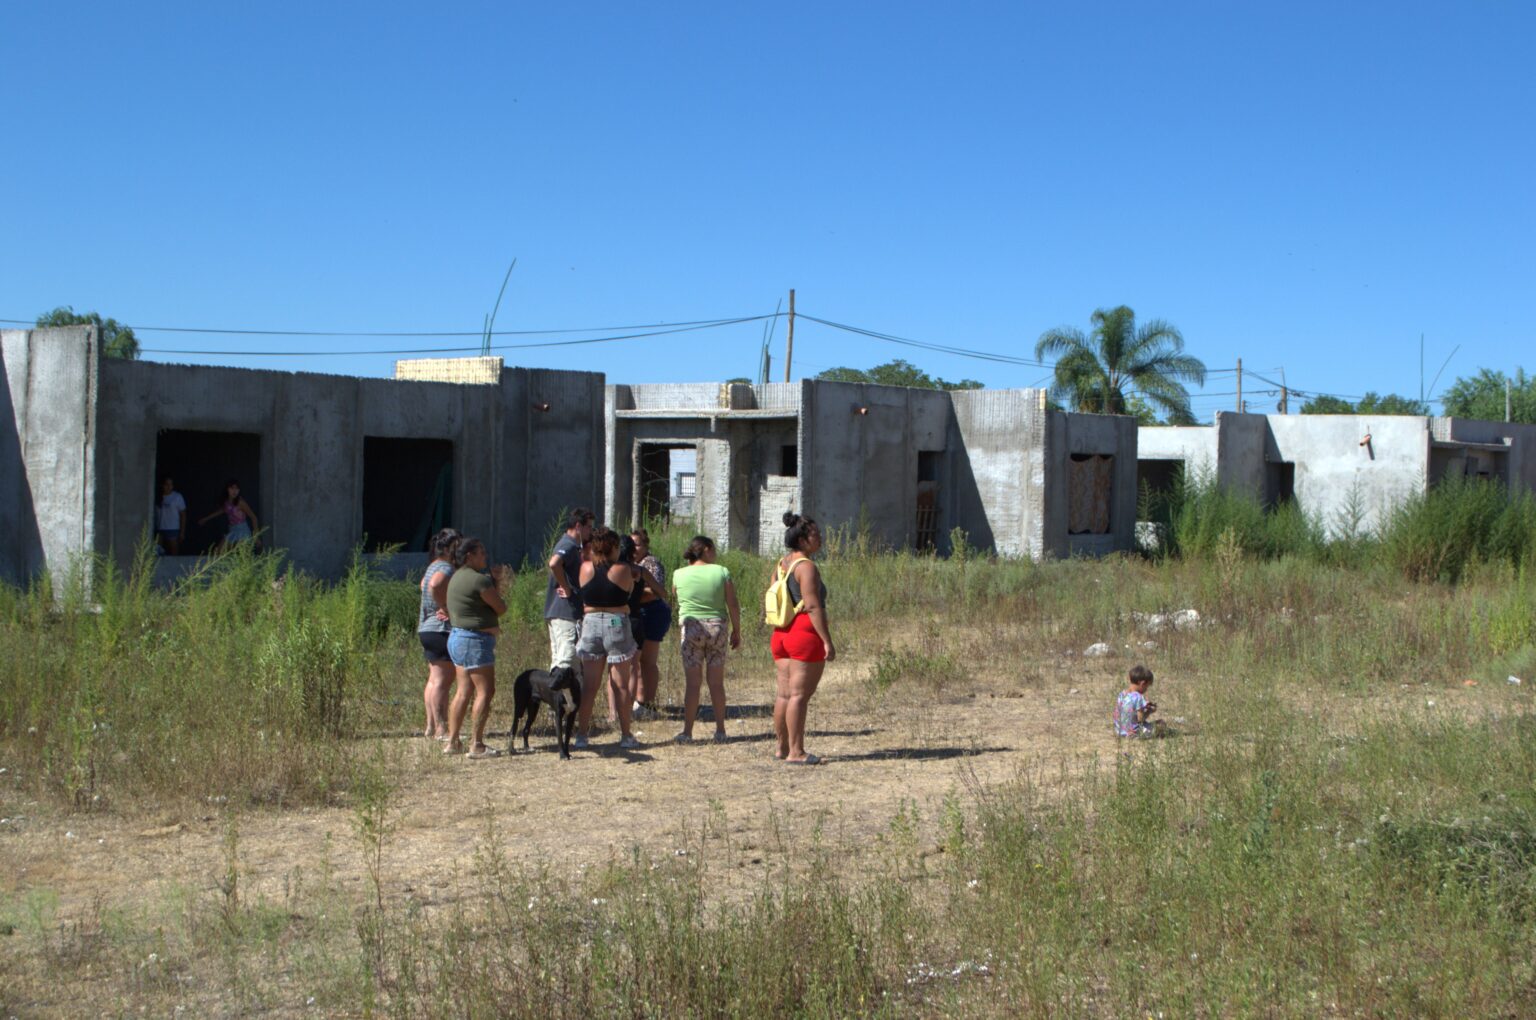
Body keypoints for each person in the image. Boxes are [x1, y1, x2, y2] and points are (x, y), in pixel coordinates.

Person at [771, 512, 834, 764]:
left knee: (784, 694)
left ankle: (782, 747)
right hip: (803, 632)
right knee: (799, 695)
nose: (820, 538)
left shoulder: (781, 564)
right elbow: (813, 605)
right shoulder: (806, 567)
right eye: (816, 535)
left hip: (781, 633)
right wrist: (827, 640)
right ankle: (796, 752)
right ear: (803, 539)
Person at [444, 537, 511, 759]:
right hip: (475, 641)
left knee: (463, 691)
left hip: (457, 637)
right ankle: (477, 744)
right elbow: (500, 607)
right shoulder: (479, 581)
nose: (485, 556)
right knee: (485, 691)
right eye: (481, 553)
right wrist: (497, 583)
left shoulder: (456, 577)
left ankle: (453, 741)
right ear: (469, 556)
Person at [575, 527, 641, 749]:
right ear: (613, 547)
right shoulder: (623, 569)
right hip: (616, 621)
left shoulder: (584, 568)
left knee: (590, 686)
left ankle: (582, 736)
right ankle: (626, 735)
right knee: (620, 684)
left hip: (590, 623)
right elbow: (629, 592)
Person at [672, 535, 741, 744]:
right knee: (716, 683)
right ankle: (720, 730)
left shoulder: (678, 574)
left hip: (691, 627)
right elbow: (733, 604)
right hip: (717, 627)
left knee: (693, 684)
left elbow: (676, 597)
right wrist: (737, 631)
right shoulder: (721, 572)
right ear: (707, 549)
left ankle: (687, 732)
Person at [607, 534, 667, 725]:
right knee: (632, 668)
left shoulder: (610, 570)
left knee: (614, 667)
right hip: (634, 618)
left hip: (615, 620)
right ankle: (628, 710)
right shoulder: (639, 571)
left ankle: (613, 713)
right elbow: (661, 592)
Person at [417, 528, 460, 740]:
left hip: (426, 628)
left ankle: (430, 726)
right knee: (443, 680)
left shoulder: (431, 566)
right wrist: (443, 606)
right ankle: (442, 729)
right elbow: (434, 585)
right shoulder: (446, 567)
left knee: (434, 679)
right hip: (440, 629)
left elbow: (424, 584)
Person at [545, 507, 594, 674]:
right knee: (566, 660)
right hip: (565, 612)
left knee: (561, 660)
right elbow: (554, 563)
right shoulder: (569, 544)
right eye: (588, 527)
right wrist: (566, 587)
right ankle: (564, 697)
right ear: (578, 526)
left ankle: (563, 699)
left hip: (561, 612)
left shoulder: (573, 546)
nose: (590, 531)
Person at [630, 527, 672, 719]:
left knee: (647, 661)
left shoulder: (651, 563)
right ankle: (640, 701)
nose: (634, 548)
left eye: (638, 544)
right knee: (638, 662)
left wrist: (631, 598)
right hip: (639, 613)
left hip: (652, 612)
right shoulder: (630, 563)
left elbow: (655, 591)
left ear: (645, 545)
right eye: (632, 544)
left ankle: (647, 702)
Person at [197, 479, 259, 552]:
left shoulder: (240, 502)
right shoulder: (226, 502)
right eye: (232, 488)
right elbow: (222, 511)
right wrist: (206, 519)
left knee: (242, 555)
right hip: (232, 531)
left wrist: (256, 537)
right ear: (227, 489)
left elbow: (254, 518)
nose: (234, 491)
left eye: (237, 488)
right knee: (217, 552)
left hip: (242, 531)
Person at [1113, 665, 1165, 739]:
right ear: (1142, 683)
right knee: (1161, 723)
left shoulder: (1122, 694)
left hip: (1119, 731)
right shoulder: (1138, 697)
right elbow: (1140, 719)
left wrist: (1144, 706)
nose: (1146, 689)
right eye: (1147, 686)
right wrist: (1149, 711)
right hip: (1134, 732)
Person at [154, 477, 187, 555]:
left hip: (173, 528)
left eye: (171, 484)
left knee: (174, 551)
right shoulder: (157, 496)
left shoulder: (177, 497)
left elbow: (183, 515)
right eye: (166, 484)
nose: (169, 487)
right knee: (157, 551)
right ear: (162, 485)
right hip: (159, 528)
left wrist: (182, 532)